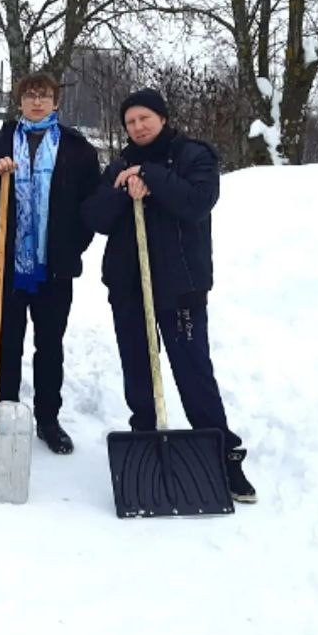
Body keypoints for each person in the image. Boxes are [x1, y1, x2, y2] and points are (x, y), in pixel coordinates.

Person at [81, 88, 256, 502]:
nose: (138, 127)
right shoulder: (120, 164)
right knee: (138, 367)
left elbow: (197, 203)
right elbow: (96, 218)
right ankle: (145, 438)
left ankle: (222, 451)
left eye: (144, 118)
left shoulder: (193, 155)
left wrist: (152, 177)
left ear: (161, 117)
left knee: (192, 369)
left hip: (181, 288)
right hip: (129, 285)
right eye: (130, 122)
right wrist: (122, 189)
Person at [0, 72, 99, 454]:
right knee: (7, 341)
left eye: (44, 96)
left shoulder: (78, 149)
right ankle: (7, 410)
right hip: (8, 265)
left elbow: (89, 208)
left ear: (56, 102)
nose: (37, 102)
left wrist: (72, 246)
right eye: (30, 96)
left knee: (50, 345)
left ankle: (48, 419)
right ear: (20, 102)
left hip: (54, 266)